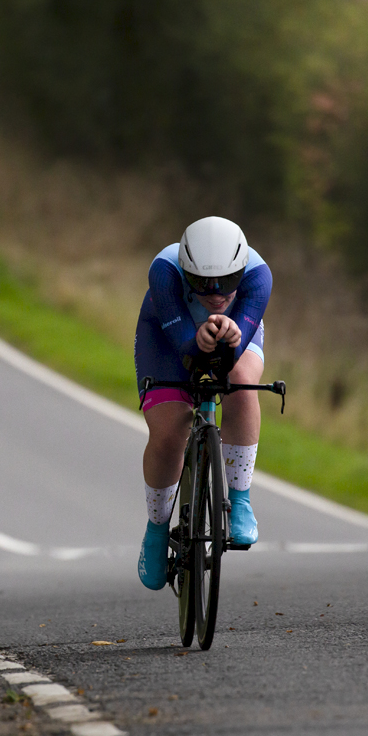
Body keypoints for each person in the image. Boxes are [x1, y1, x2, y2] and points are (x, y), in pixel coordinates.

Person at [134, 216, 272, 590]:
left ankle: (239, 500)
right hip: (167, 336)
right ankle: (157, 528)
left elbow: (228, 364)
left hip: (235, 332)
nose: (215, 292)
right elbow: (185, 348)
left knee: (242, 383)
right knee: (168, 431)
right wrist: (198, 341)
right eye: (202, 283)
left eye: (226, 283)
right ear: (185, 268)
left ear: (241, 271)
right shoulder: (164, 271)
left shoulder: (259, 276)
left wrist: (230, 338)